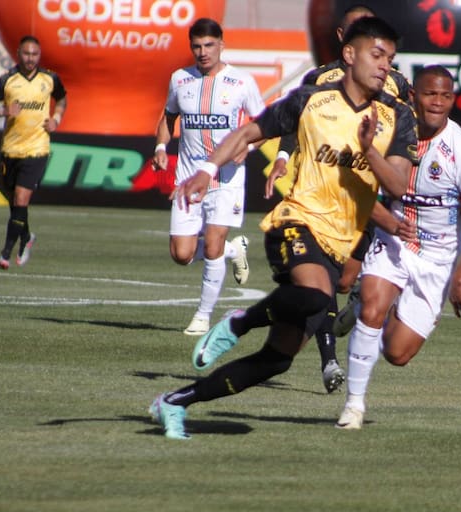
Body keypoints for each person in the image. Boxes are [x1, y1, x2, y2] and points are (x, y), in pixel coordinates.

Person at [148, 16, 417, 440]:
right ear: (350, 54)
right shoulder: (311, 99)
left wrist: (368, 149)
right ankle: (237, 323)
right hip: (296, 222)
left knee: (278, 359)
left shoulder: (398, 116)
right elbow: (249, 132)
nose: (385, 65)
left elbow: (398, 183)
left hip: (337, 245)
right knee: (313, 298)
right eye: (377, 55)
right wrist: (205, 169)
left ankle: (175, 403)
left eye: (391, 58)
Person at [335, 65, 461, 430]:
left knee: (397, 353)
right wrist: (387, 223)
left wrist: (460, 279)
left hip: (438, 260)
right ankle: (354, 407)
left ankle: (365, 310)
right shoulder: (387, 135)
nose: (437, 102)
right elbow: (357, 191)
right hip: (392, 242)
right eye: (429, 94)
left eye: (445, 95)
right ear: (412, 97)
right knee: (374, 310)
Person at [268, 4, 411, 393]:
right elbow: (294, 120)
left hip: (364, 196)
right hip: (322, 194)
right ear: (345, 42)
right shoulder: (320, 80)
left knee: (346, 281)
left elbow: (406, 133)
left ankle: (338, 315)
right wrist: (283, 156)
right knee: (323, 287)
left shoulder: (396, 84)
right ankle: (329, 361)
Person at [152, 18, 266, 336]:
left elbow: (264, 124)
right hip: (188, 180)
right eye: (197, 46)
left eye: (209, 45)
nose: (202, 52)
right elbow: (168, 116)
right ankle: (234, 250)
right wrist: (161, 145)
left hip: (227, 178)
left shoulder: (241, 82)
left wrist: (251, 146)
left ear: (221, 45)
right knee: (182, 254)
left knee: (212, 245)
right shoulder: (180, 79)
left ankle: (203, 316)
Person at [0, 35, 67, 270]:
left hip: (37, 149)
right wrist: (2, 110)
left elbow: (61, 99)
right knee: (16, 205)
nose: (31, 59)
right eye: (27, 54)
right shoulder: (7, 80)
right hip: (10, 149)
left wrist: (56, 119)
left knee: (21, 199)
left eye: (35, 54)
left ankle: (5, 253)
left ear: (39, 56)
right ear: (18, 54)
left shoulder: (50, 78)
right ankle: (27, 237)